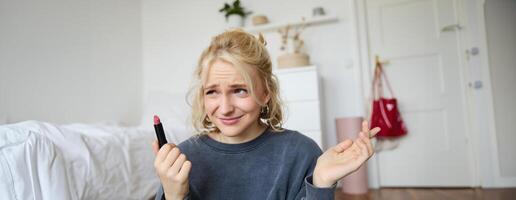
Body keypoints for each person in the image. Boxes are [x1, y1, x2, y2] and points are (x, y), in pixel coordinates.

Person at [152, 29, 380, 200]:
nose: (225, 108)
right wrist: (173, 196)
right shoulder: (182, 159)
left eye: (240, 90)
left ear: (267, 93)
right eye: (212, 92)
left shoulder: (301, 152)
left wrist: (320, 182)